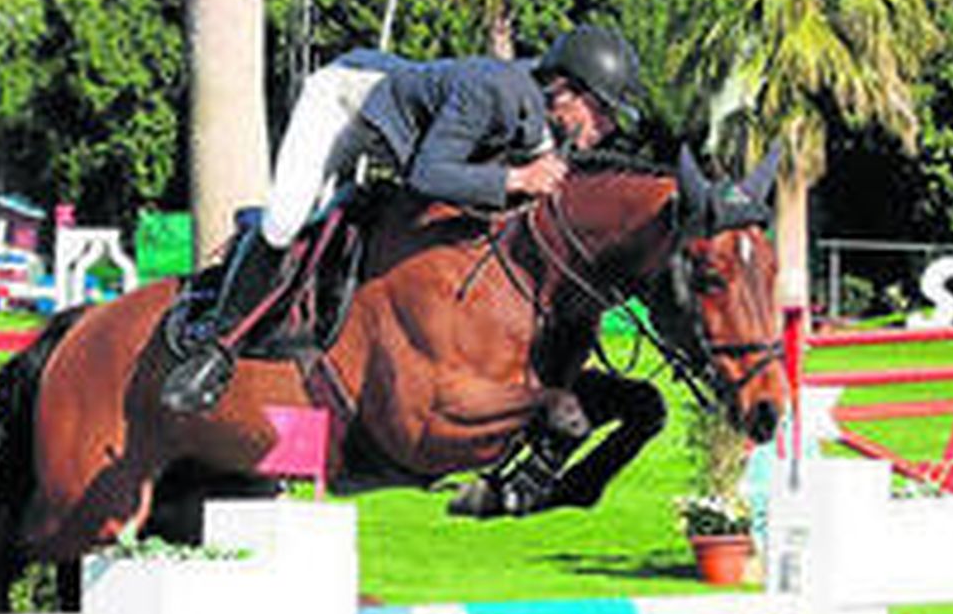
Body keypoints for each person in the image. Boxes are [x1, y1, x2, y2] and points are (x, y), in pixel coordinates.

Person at [162, 24, 644, 414]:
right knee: (287, 221)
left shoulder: (546, 125)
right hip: (346, 105)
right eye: (601, 113)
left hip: (400, 116)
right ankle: (216, 346)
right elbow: (427, 175)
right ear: (565, 89)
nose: (604, 130)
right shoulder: (493, 91)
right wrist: (516, 180)